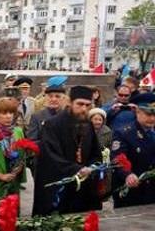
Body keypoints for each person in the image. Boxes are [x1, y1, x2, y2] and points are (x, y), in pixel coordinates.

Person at [32, 86, 102, 216]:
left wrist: (91, 167)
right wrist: (76, 169)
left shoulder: (88, 124)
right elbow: (51, 156)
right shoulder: (52, 125)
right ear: (70, 102)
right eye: (80, 104)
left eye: (88, 105)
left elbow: (95, 153)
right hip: (61, 187)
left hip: (83, 185)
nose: (84, 109)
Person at [110, 93, 155, 208]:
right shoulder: (124, 133)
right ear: (137, 112)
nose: (152, 118)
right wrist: (128, 175)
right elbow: (117, 158)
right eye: (148, 114)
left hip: (151, 191)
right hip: (132, 191)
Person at [27, 76, 67, 146]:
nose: (53, 99)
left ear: (63, 98)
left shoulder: (68, 116)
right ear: (45, 98)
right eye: (50, 96)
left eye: (57, 96)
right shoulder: (37, 117)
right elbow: (31, 141)